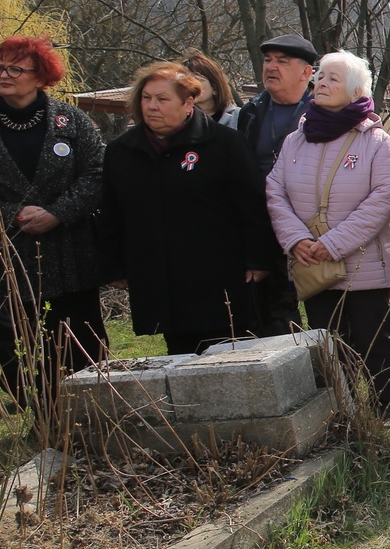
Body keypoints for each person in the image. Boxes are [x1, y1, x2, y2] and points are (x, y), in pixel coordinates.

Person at [265, 51, 390, 422]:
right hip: (312, 262)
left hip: (364, 264)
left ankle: (386, 407)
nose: (321, 83)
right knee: (329, 340)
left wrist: (332, 244)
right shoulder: (296, 140)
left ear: (357, 91)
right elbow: (275, 190)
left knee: (374, 339)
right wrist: (296, 240)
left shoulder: (377, 142)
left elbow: (383, 199)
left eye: (333, 78)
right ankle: (344, 408)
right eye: (321, 76)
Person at [97, 62, 274, 354]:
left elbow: (251, 204)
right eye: (146, 98)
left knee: (227, 353)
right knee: (179, 355)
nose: (151, 106)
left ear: (188, 103)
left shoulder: (224, 143)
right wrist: (113, 265)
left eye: (162, 99)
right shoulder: (122, 150)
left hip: (216, 274)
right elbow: (112, 211)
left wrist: (259, 258)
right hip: (159, 274)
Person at [0, 36, 107, 399]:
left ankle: (92, 414)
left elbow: (97, 174)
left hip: (70, 252)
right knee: (23, 351)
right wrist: (11, 214)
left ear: (40, 76)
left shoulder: (71, 120)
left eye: (16, 69)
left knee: (81, 345)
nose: (4, 75)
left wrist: (58, 213)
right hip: (9, 257)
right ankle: (41, 415)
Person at [237, 33, 319, 335]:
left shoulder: (324, 109)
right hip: (265, 225)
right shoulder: (251, 112)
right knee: (274, 319)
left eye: (282, 62)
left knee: (325, 314)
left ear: (306, 72)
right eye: (268, 61)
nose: (271, 67)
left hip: (314, 227)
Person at [182, 50, 242, 127]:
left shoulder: (239, 117)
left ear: (215, 87)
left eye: (197, 80)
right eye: (184, 81)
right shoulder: (177, 119)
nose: (189, 85)